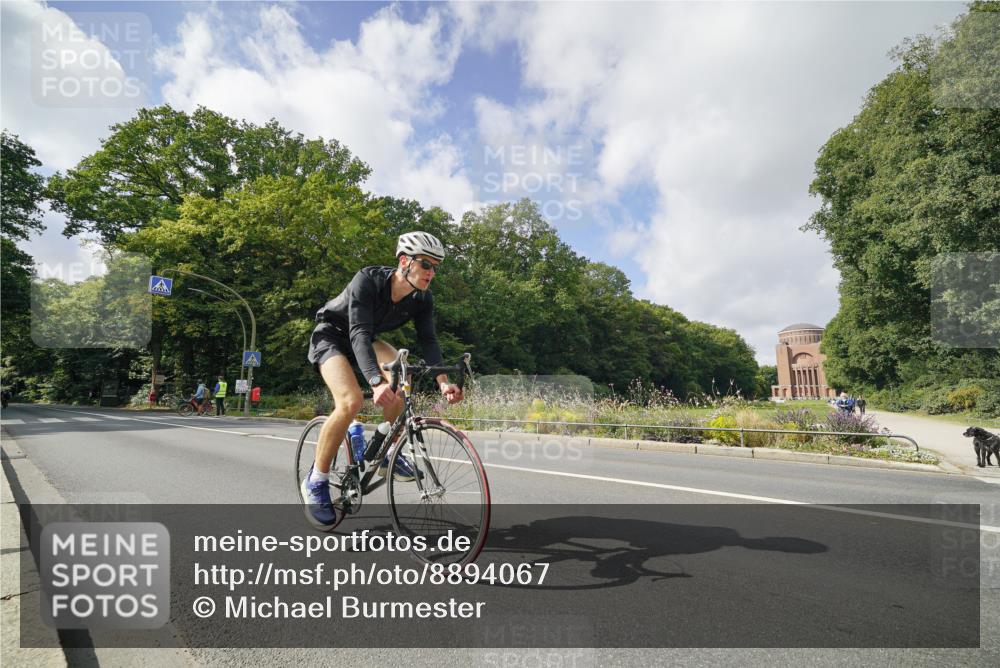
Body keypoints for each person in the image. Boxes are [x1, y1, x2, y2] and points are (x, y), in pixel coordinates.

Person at [302, 232, 464, 531]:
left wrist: (443, 382)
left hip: (367, 340)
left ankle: (387, 453)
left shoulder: (422, 298)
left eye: (435, 267)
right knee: (350, 401)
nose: (431, 272)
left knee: (402, 379)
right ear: (404, 261)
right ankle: (316, 480)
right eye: (426, 264)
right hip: (333, 336)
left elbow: (428, 340)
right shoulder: (368, 280)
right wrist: (376, 382)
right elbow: (358, 333)